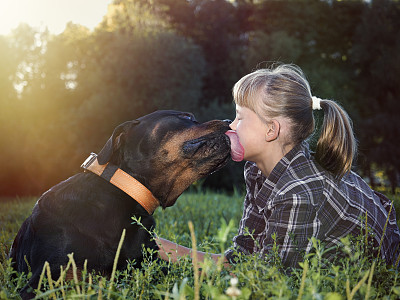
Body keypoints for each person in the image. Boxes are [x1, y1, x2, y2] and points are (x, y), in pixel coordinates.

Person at [156, 64, 400, 269]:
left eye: (240, 116)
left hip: (381, 274)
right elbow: (242, 256)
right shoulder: (256, 169)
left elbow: (267, 280)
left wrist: (173, 252)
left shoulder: (298, 192)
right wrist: (158, 247)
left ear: (271, 130)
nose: (231, 125)